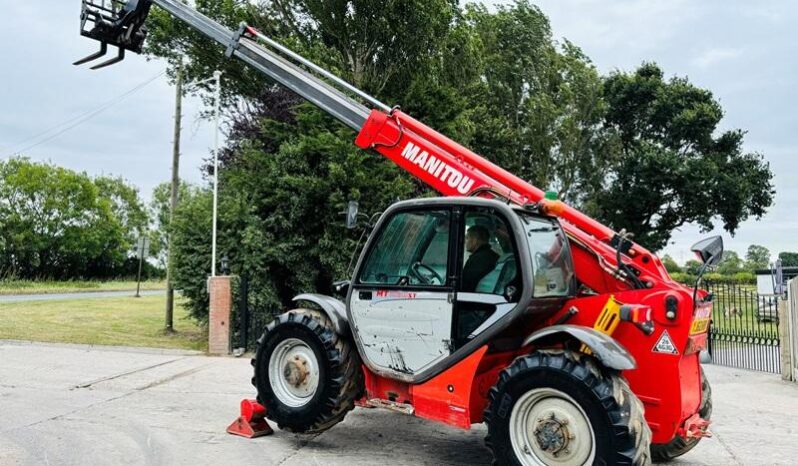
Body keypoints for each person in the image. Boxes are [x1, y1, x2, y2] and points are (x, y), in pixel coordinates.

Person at [461, 225, 498, 292]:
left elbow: (466, 286)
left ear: (475, 240)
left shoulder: (477, 260)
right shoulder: (493, 256)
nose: (465, 241)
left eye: (467, 238)